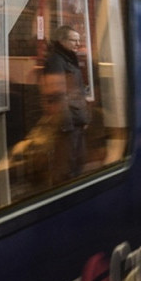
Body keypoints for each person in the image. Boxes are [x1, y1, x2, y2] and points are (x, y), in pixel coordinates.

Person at [44, 25, 90, 178]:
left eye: (79, 40)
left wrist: (84, 118)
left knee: (78, 163)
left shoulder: (69, 59)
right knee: (67, 167)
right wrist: (66, 125)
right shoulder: (56, 61)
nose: (78, 44)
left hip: (76, 121)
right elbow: (58, 95)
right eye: (74, 40)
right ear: (62, 41)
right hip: (68, 125)